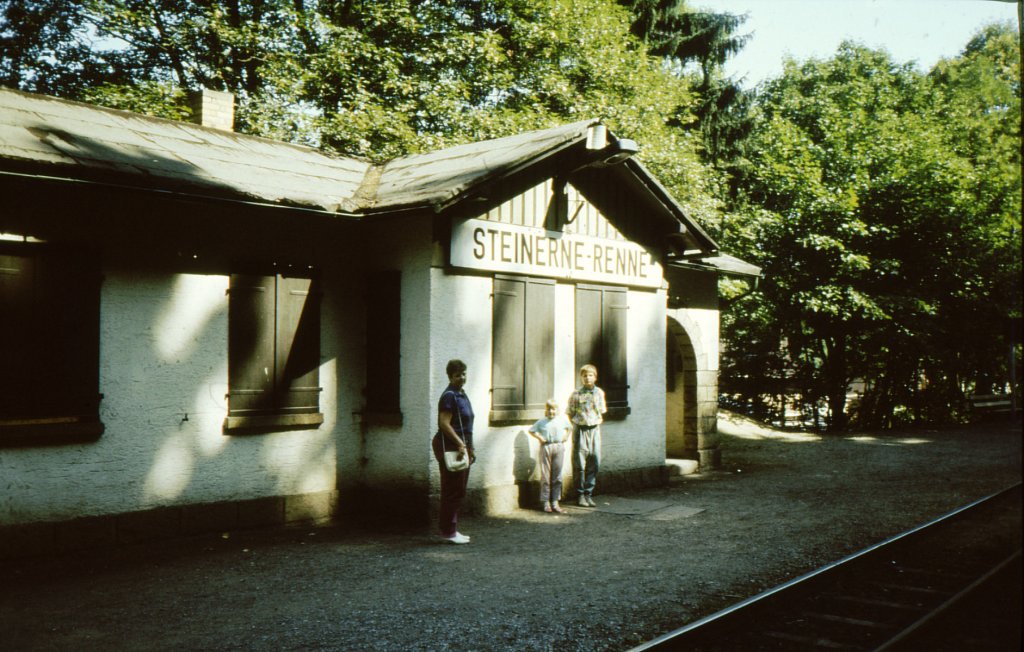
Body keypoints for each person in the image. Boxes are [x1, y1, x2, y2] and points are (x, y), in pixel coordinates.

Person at [432, 359, 475, 544]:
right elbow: (444, 424)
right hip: (451, 446)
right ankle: (448, 532)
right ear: (450, 377)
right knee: (452, 490)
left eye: (464, 374)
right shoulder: (449, 396)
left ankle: (452, 529)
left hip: (461, 446)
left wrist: (470, 447)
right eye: (457, 375)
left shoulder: (461, 394)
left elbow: (466, 425)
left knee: (458, 490)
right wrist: (460, 444)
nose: (462, 378)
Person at [566, 364, 607, 507]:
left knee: (594, 461)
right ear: (581, 378)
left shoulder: (599, 393)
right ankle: (580, 495)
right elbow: (570, 412)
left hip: (594, 429)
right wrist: (578, 423)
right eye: (584, 375)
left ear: (595, 377)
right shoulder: (576, 394)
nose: (587, 378)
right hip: (580, 430)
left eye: (590, 375)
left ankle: (589, 493)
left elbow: (601, 411)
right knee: (579, 463)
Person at [528, 399, 572, 514]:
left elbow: (570, 427)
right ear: (546, 410)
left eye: (554, 409)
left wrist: (566, 436)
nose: (551, 411)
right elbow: (531, 430)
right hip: (546, 447)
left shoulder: (562, 420)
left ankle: (555, 502)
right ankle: (545, 502)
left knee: (557, 476)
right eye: (549, 409)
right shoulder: (542, 422)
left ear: (557, 410)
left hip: (558, 446)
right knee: (546, 476)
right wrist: (540, 438)